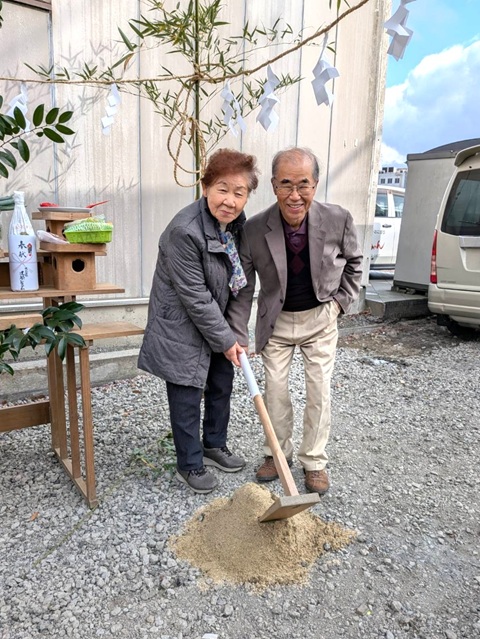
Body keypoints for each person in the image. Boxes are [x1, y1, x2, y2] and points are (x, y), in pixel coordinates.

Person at [226, 147, 362, 495]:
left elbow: (355, 262)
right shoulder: (254, 229)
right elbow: (243, 287)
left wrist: (340, 304)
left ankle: (314, 461)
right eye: (286, 184)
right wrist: (238, 332)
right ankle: (277, 454)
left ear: (315, 184)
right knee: (274, 391)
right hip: (277, 321)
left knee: (319, 390)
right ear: (274, 185)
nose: (295, 195)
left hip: (321, 317)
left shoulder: (338, 219)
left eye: (303, 184)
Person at [138, 148, 259, 494]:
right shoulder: (184, 231)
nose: (230, 200)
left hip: (217, 322)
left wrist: (237, 333)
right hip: (180, 325)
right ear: (205, 187)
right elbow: (195, 297)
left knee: (222, 383)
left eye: (239, 193)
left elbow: (242, 283)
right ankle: (189, 463)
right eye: (222, 189)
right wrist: (226, 339)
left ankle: (214, 445)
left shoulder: (238, 227)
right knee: (187, 393)